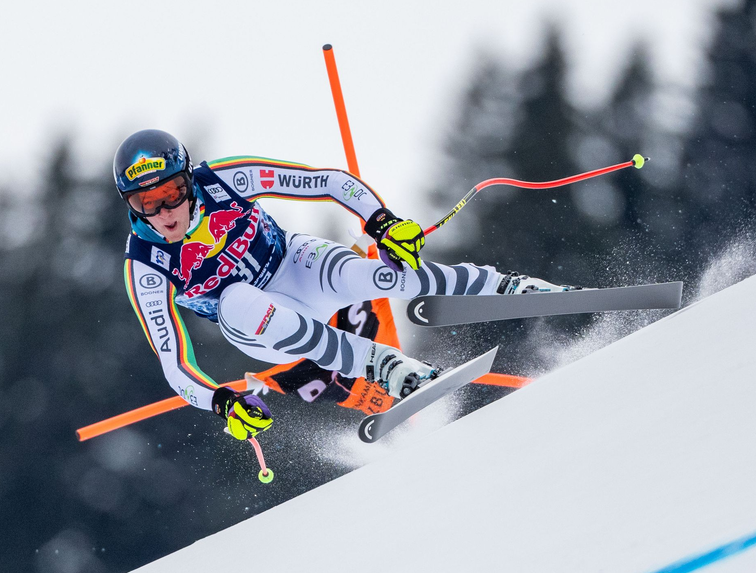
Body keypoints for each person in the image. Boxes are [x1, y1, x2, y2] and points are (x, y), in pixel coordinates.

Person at [114, 129, 572, 441]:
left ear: (187, 179)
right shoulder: (145, 265)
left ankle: (512, 288)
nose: (164, 213)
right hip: (260, 328)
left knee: (375, 275)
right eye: (146, 202)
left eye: (171, 193)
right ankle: (389, 368)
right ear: (132, 205)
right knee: (236, 299)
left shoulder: (223, 179)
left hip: (293, 262)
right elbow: (173, 361)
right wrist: (221, 403)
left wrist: (383, 223)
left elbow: (326, 182)